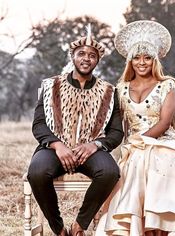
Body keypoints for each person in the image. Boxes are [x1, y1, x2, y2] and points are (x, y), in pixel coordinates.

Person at [95, 20, 175, 236]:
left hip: (164, 140)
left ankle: (167, 227)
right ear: (130, 61)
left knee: (163, 157)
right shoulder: (120, 88)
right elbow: (111, 122)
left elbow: (164, 122)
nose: (142, 62)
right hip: (135, 145)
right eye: (136, 58)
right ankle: (141, 228)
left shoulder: (167, 84)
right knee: (137, 160)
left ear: (154, 60)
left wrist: (140, 140)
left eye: (147, 57)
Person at [27, 25, 124, 236]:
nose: (86, 58)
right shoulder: (51, 86)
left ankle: (80, 225)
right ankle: (59, 229)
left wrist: (95, 144)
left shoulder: (108, 92)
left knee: (110, 172)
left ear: (97, 61)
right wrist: (57, 144)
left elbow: (116, 132)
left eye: (92, 55)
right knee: (37, 171)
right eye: (81, 53)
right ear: (73, 56)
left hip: (89, 151)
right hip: (55, 148)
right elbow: (39, 124)